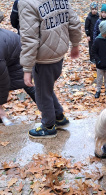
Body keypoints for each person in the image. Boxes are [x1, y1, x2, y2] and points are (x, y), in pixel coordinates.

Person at [18, 0, 82, 138]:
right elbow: (74, 22)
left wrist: (27, 68)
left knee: (41, 93)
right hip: (58, 54)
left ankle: (48, 126)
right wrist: (75, 44)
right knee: (46, 88)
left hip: (43, 59)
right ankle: (59, 116)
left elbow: (29, 38)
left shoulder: (26, 3)